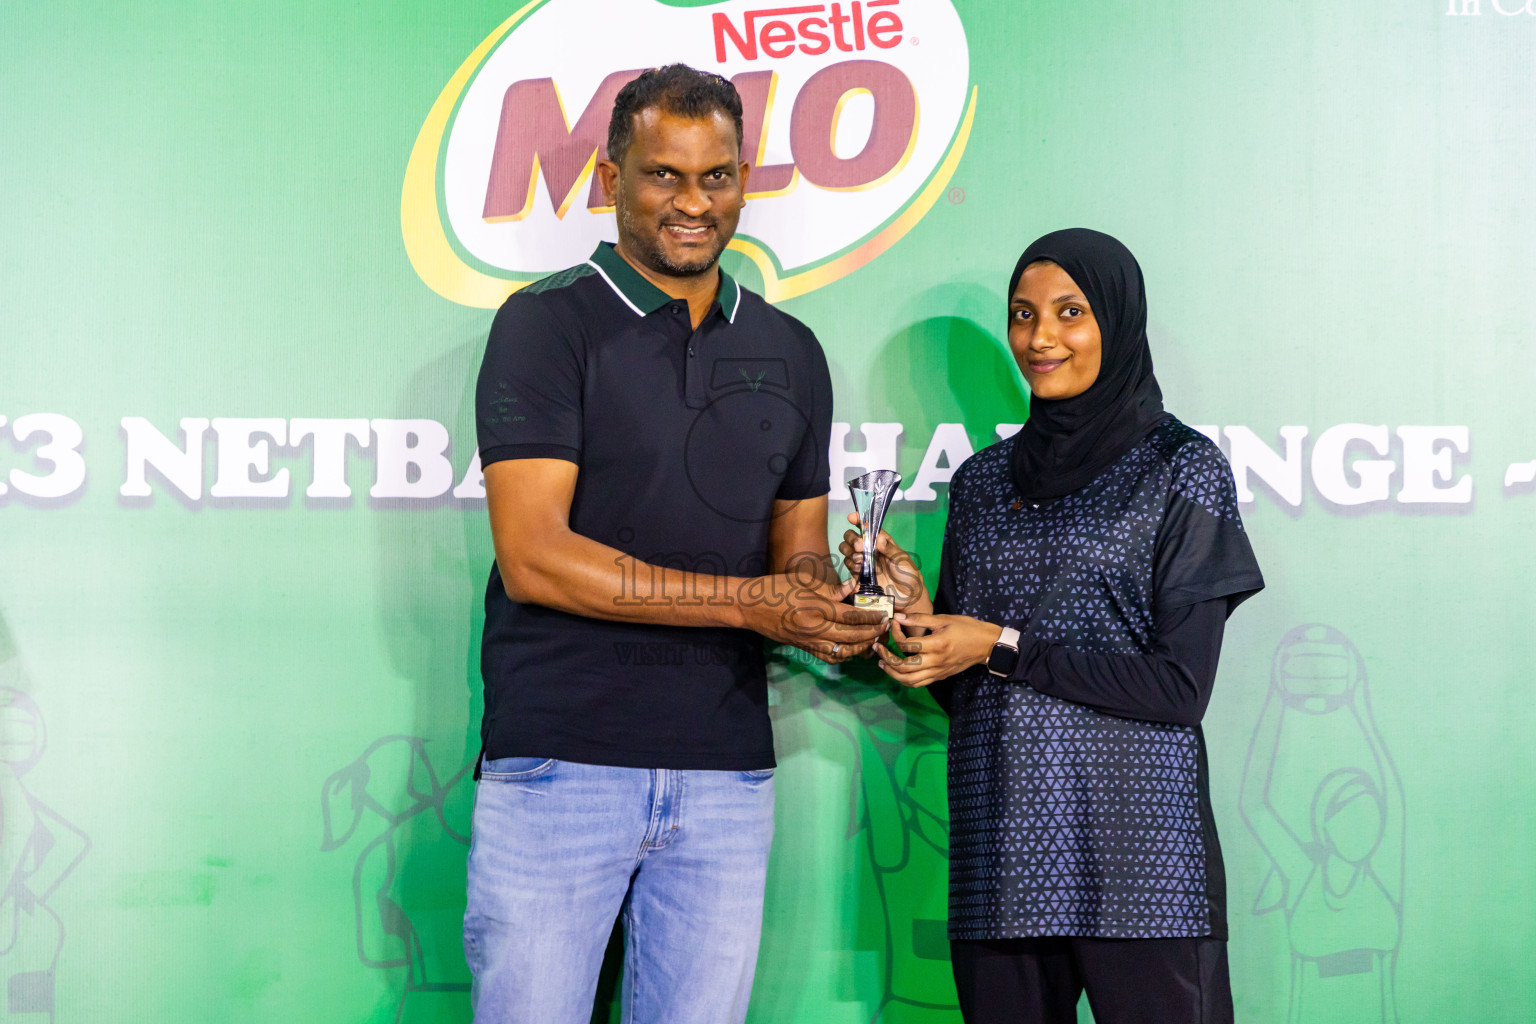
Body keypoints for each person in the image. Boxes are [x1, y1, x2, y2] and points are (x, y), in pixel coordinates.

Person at [464, 64, 886, 1024]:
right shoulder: (547, 325)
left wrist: (848, 593)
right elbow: (533, 555)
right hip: (560, 763)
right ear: (612, 180)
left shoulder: (793, 351)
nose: (693, 203)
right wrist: (749, 605)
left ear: (744, 180)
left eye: (718, 176)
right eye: (664, 175)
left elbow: (797, 561)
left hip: (726, 771)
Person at [841, 228, 1264, 1024]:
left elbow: (1179, 690)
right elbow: (972, 694)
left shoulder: (1183, 467)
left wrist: (996, 644)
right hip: (1003, 862)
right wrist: (923, 625)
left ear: (1117, 319)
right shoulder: (981, 483)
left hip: (1142, 869)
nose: (1041, 338)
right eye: (1023, 314)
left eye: (1070, 312)